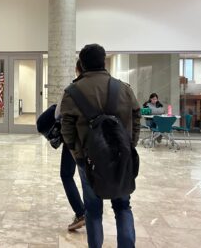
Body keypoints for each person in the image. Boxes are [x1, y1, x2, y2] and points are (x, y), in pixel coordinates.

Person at [60, 44, 140, 248]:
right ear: (103, 62)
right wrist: (129, 146)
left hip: (89, 160)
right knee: (123, 207)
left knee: (93, 211)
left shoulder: (72, 92)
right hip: (121, 158)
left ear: (82, 64)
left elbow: (66, 129)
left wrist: (77, 155)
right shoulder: (123, 88)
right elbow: (136, 117)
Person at [55, 59, 85, 231]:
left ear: (77, 69)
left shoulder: (71, 90)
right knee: (90, 178)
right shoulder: (115, 88)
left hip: (74, 141)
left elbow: (58, 114)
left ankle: (81, 212)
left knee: (67, 175)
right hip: (100, 142)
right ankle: (92, 214)